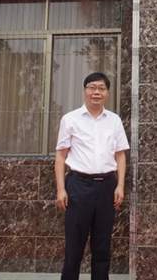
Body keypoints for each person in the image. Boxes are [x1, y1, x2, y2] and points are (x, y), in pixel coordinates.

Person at [54, 72, 129, 280]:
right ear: (85, 90)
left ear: (107, 93)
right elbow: (60, 156)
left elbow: (120, 155)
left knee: (102, 246)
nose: (96, 92)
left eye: (101, 88)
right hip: (78, 185)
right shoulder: (70, 119)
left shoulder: (114, 120)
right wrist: (61, 189)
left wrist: (120, 185)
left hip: (107, 186)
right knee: (74, 246)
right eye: (92, 87)